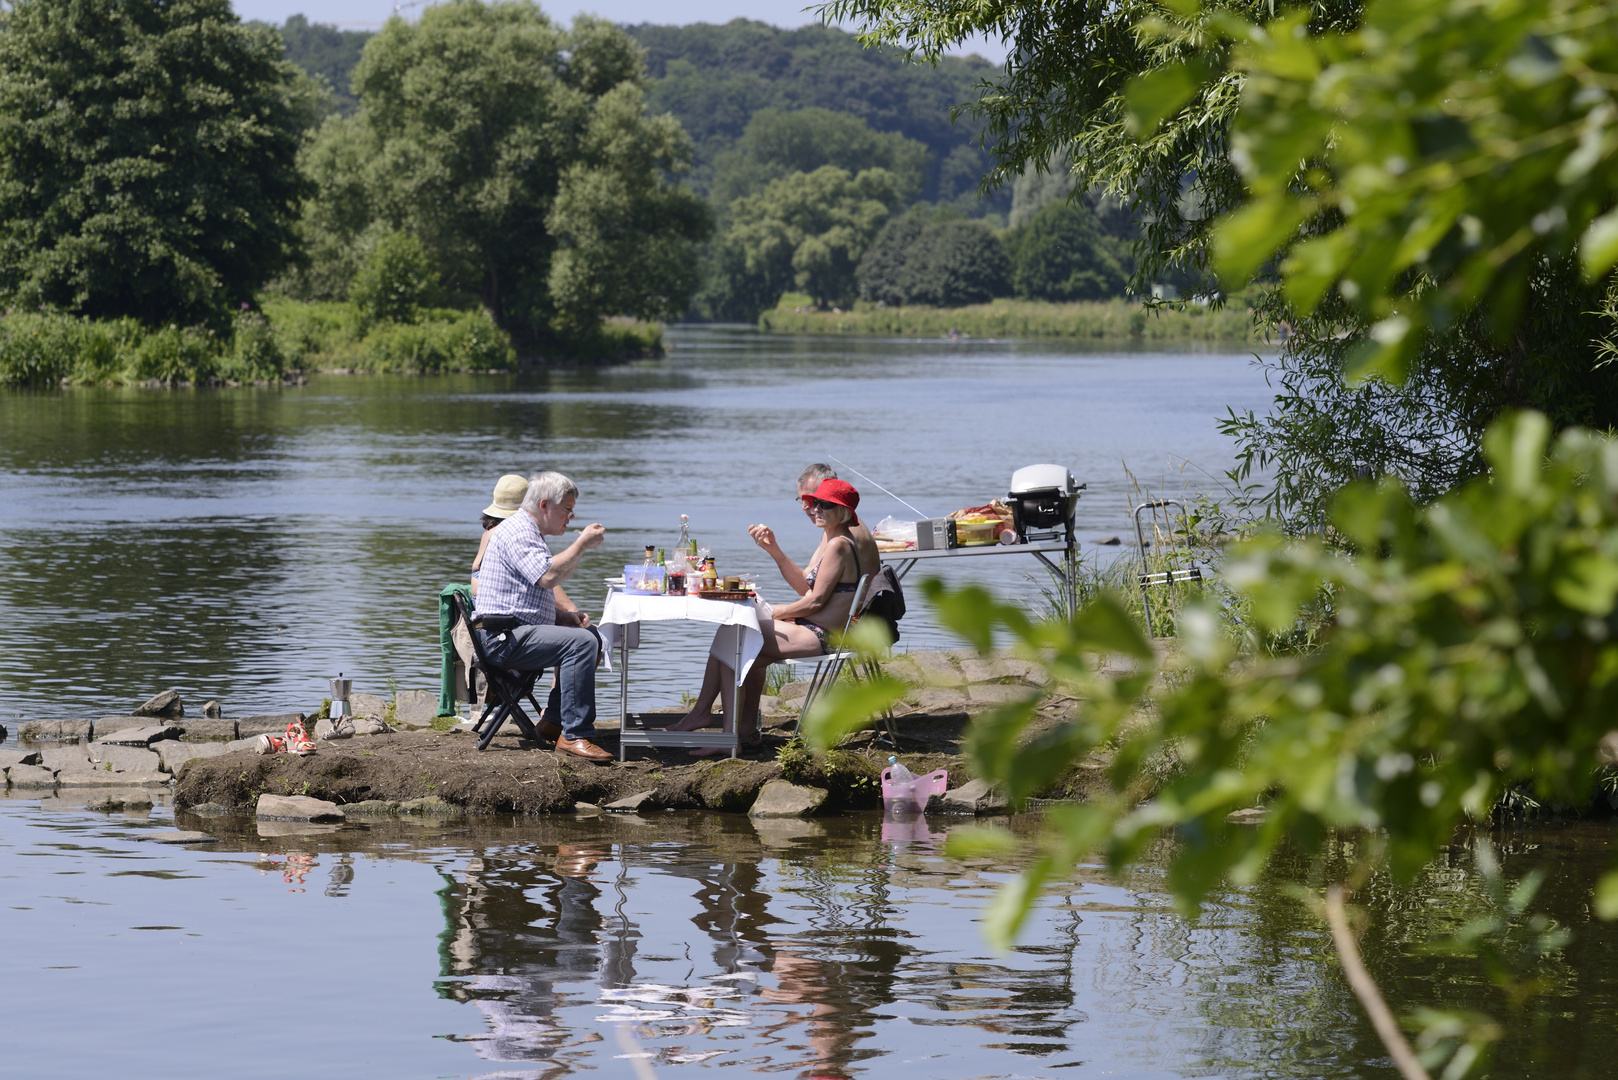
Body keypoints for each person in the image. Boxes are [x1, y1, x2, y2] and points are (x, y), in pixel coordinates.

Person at [673, 475, 881, 753]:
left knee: (734, 636)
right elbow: (808, 589)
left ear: (843, 511)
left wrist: (776, 612)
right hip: (819, 628)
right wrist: (773, 551)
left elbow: (815, 601)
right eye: (812, 502)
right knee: (743, 645)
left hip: (822, 634)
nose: (815, 509)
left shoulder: (838, 545)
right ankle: (742, 731)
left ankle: (723, 732)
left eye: (823, 505)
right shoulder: (836, 540)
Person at [473, 471, 611, 762]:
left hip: (513, 632)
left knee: (590, 636)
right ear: (545, 505)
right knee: (581, 644)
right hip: (502, 639)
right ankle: (575, 735)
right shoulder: (519, 531)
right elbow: (548, 576)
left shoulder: (526, 530)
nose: (571, 518)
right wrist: (582, 544)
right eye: (568, 510)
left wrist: (563, 617)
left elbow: (525, 596)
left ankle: (554, 721)